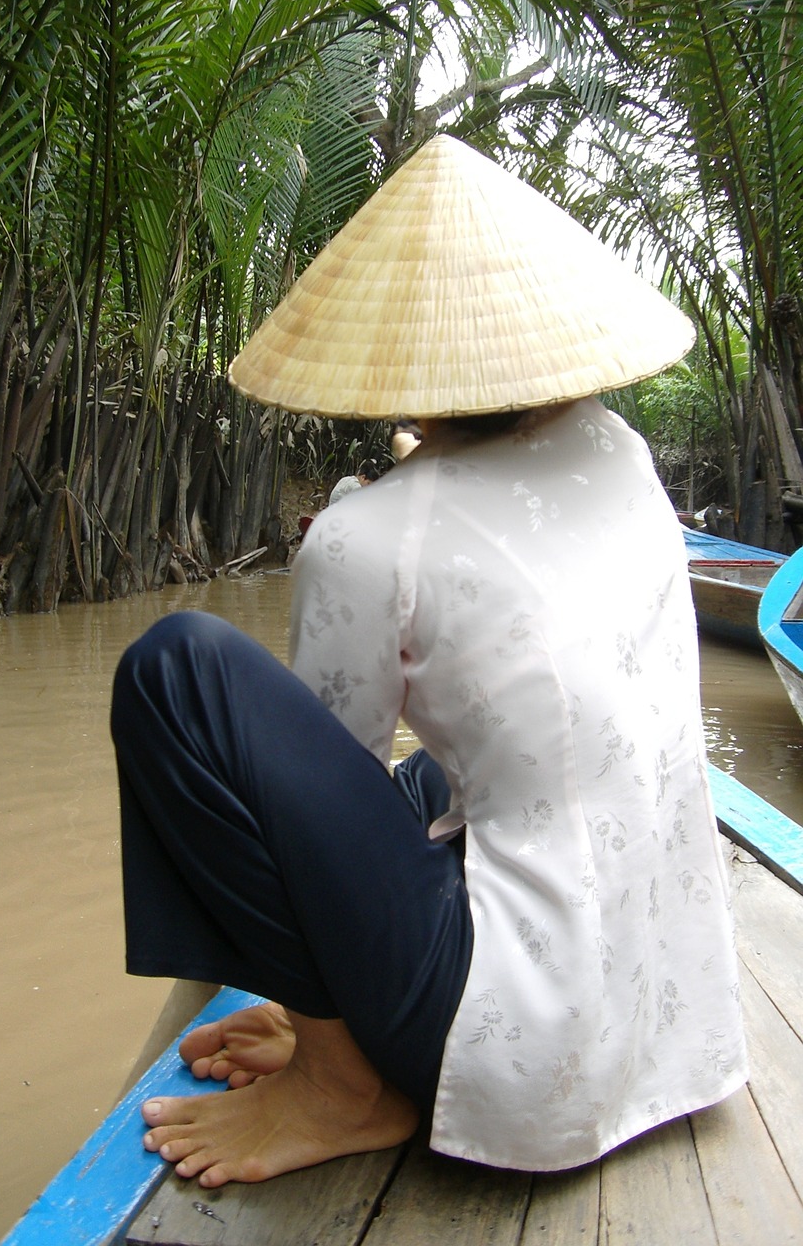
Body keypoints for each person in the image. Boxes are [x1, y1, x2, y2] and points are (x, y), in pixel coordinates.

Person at [110, 136, 747, 1190]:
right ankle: (334, 1028)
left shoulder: (370, 539)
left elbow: (320, 787)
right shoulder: (621, 451)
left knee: (176, 670)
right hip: (665, 1010)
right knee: (433, 782)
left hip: (515, 1046)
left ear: (395, 363)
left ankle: (344, 1076)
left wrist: (375, 520)